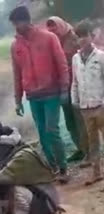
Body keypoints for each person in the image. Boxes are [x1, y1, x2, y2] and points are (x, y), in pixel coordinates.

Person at [9, 6, 70, 182]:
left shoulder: (49, 38)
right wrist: (18, 100)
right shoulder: (16, 46)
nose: (16, 27)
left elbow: (61, 64)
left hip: (51, 93)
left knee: (52, 130)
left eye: (17, 23)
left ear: (27, 21)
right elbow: (17, 74)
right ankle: (52, 168)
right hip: (33, 96)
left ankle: (64, 168)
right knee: (42, 134)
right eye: (13, 24)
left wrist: (64, 89)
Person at [71, 21, 104, 191]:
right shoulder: (75, 59)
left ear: (92, 36)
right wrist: (75, 101)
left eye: (85, 35)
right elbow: (75, 83)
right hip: (85, 108)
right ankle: (96, 173)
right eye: (78, 37)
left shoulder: (101, 56)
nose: (82, 40)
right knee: (92, 144)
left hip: (100, 107)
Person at [46, 16, 89, 163]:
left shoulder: (74, 38)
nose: (53, 31)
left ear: (61, 25)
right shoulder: (52, 41)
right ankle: (80, 149)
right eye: (50, 29)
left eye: (55, 27)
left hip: (77, 86)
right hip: (62, 88)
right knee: (70, 121)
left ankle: (88, 151)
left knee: (80, 119)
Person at [0, 123, 61, 214]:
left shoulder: (19, 155)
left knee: (11, 189)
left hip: (44, 202)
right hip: (37, 199)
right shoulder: (8, 145)